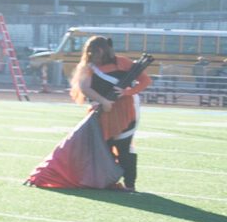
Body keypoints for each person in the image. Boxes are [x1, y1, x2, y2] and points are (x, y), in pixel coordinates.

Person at [23, 37, 151, 191]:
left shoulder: (123, 62)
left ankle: (130, 185)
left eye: (95, 51)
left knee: (124, 148)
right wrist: (103, 101)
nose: (92, 55)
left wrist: (128, 91)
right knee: (103, 147)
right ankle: (106, 180)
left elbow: (145, 80)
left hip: (126, 110)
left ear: (103, 50)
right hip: (102, 111)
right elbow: (85, 88)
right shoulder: (88, 66)